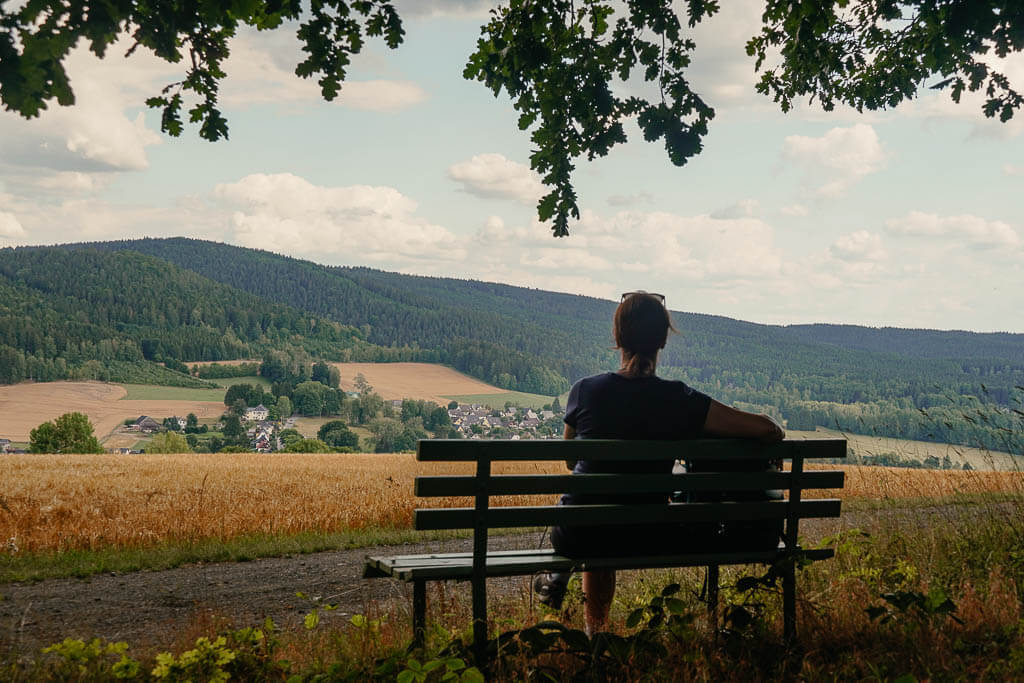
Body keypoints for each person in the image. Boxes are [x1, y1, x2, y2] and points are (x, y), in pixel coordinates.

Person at [534, 291, 785, 635]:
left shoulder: (585, 390)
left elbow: (568, 461)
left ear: (618, 337)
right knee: (618, 516)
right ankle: (596, 627)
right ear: (663, 340)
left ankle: (597, 634)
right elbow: (767, 429)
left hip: (576, 533)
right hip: (644, 531)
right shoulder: (679, 399)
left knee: (597, 512)